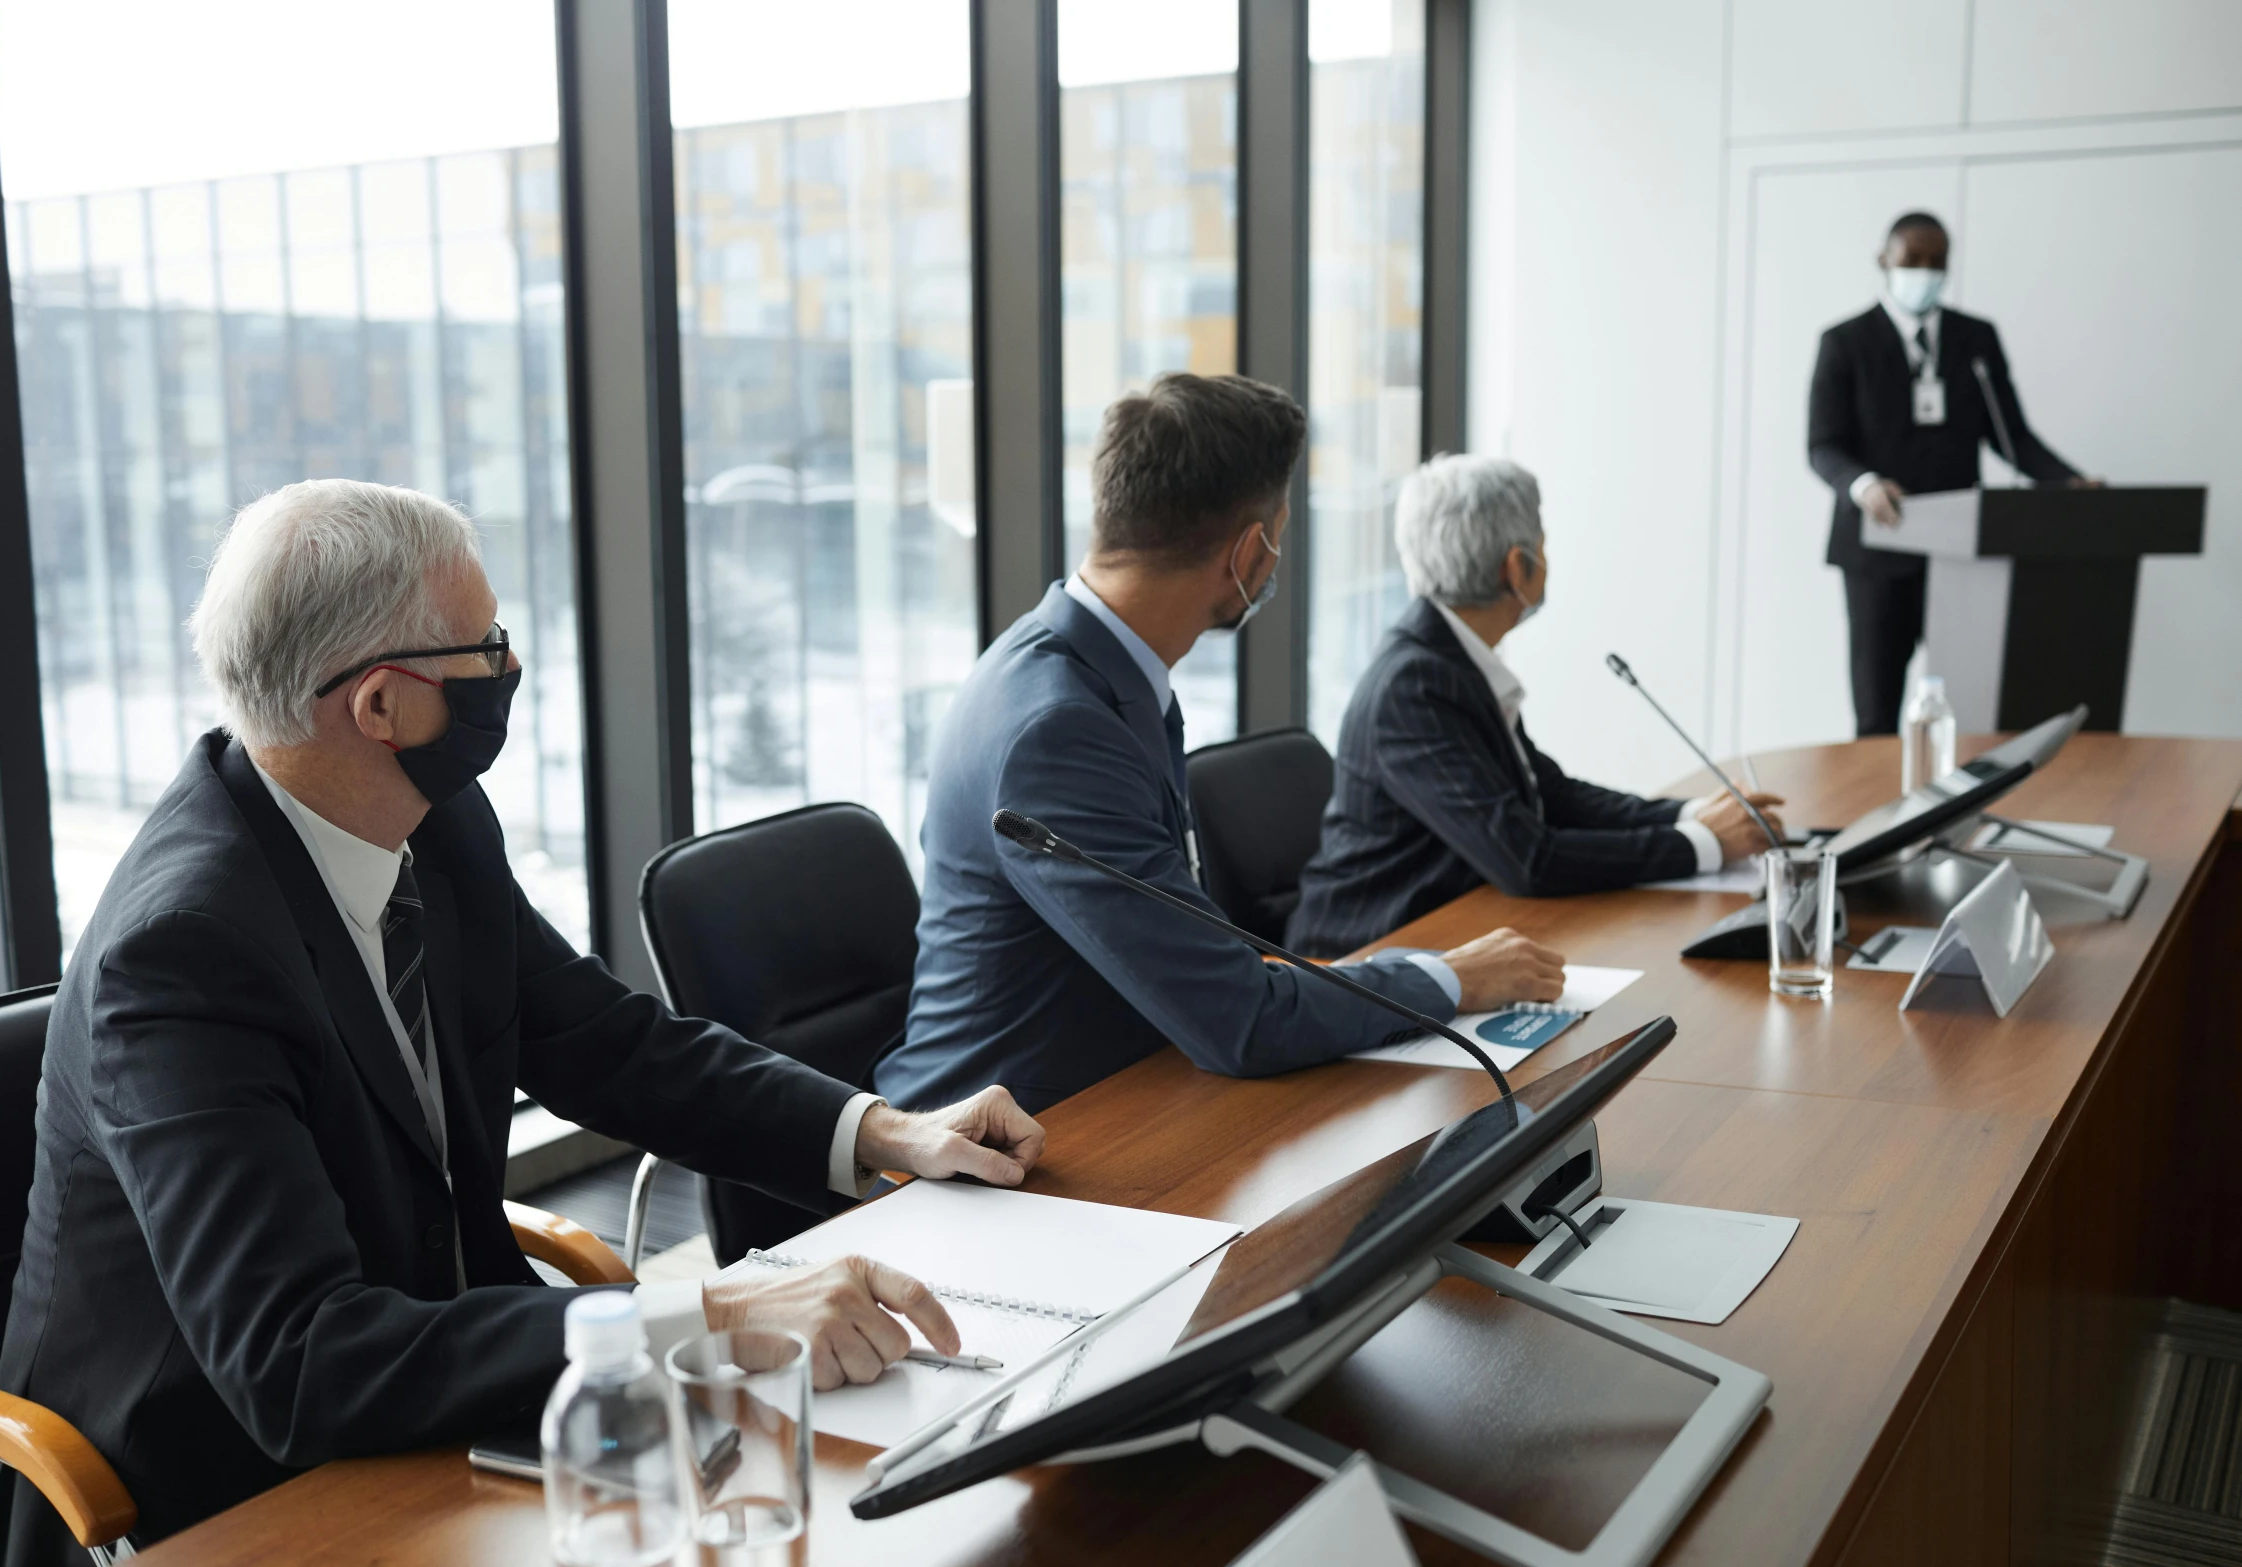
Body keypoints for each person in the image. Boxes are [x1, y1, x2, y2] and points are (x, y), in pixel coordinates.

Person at [0, 480, 1046, 1556]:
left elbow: (608, 1043)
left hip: (451, 1398)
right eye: (484, 644)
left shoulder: (435, 824)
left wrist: (885, 1130)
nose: (510, 666)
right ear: (382, 706)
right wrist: (720, 1316)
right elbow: (298, 1360)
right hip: (221, 1491)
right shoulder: (180, 956)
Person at [876, 374, 1564, 1116]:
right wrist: (1451, 978)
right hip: (993, 1156)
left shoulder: (1097, 670)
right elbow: (1239, 1018)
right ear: (1251, 552)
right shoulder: (1056, 730)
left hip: (1120, 1099)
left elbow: (1208, 975)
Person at [1287, 456, 1784, 958]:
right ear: (1517, 566)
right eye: (1543, 544)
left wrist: (1694, 814)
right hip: (1360, 952)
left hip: (1446, 927)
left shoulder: (1450, 657)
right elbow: (1527, 859)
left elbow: (1551, 796)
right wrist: (1701, 843)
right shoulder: (1415, 685)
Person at [1809, 209, 2098, 736]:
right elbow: (1823, 445)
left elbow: (2012, 436)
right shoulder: (1845, 342)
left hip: (1961, 550)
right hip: (1879, 548)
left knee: (1963, 707)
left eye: (1937, 261)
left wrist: (2069, 482)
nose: (1925, 271)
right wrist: (1864, 483)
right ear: (1884, 260)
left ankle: (1953, 814)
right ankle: (1880, 817)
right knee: (1877, 710)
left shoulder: (1976, 340)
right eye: (1912, 260)